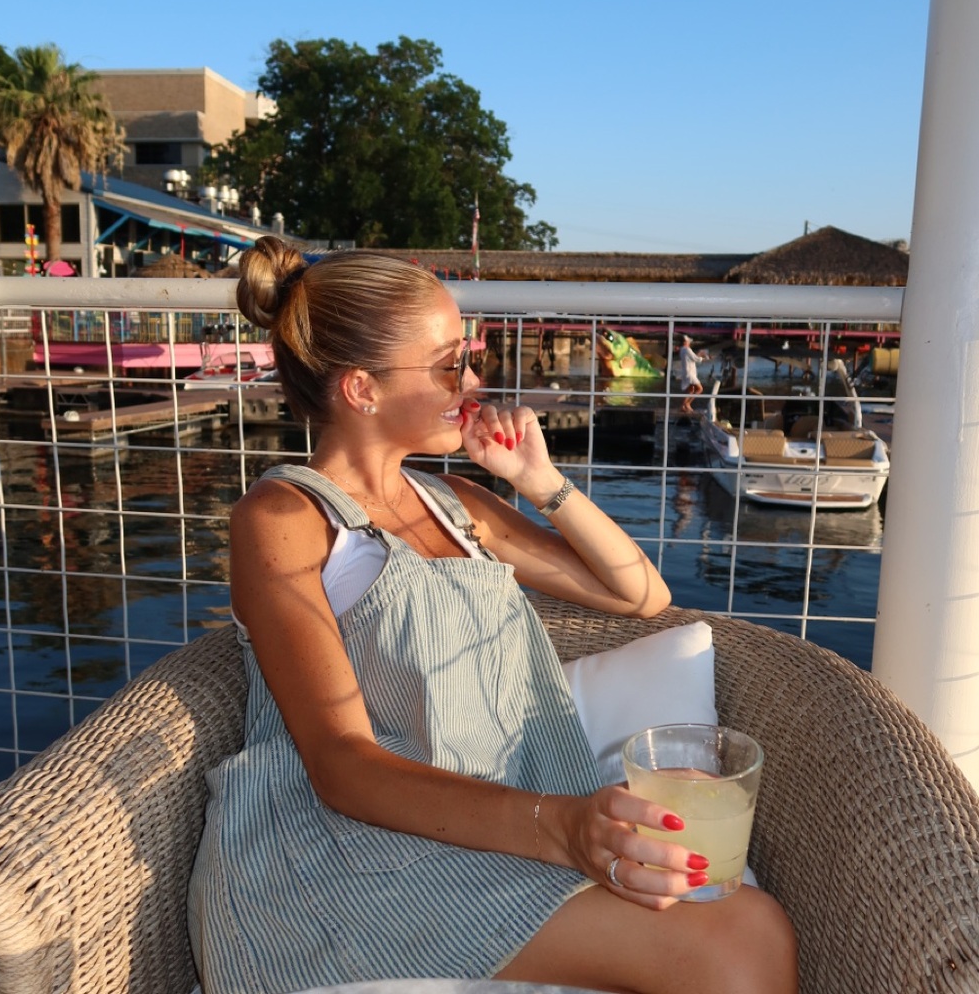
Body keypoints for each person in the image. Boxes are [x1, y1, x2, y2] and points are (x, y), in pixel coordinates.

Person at [187, 237, 798, 994]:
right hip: (345, 859)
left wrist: (540, 482)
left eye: (470, 357)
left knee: (741, 921)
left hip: (486, 836)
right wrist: (564, 828)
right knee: (741, 938)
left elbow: (641, 595)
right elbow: (341, 767)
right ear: (360, 390)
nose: (474, 380)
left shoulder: (455, 503)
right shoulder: (285, 518)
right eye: (450, 364)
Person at [679, 334, 706, 413]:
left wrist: (699, 355)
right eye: (688, 341)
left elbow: (692, 358)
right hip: (690, 373)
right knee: (700, 389)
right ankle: (687, 404)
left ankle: (683, 406)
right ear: (685, 342)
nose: (689, 343)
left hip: (686, 372)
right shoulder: (687, 349)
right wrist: (704, 358)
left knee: (690, 391)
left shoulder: (682, 350)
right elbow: (696, 359)